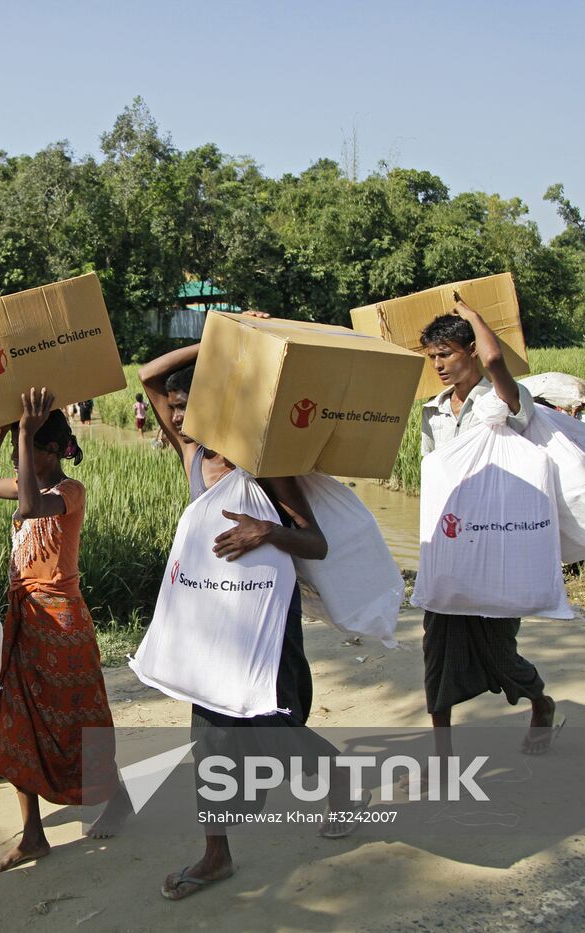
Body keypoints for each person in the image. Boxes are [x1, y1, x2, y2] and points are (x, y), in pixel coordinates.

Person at [139, 338, 365, 902]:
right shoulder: (193, 456)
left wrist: (264, 531)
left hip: (265, 624)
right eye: (173, 409)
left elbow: (314, 543)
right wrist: (220, 335)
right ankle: (216, 854)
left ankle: (337, 778)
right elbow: (147, 376)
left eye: (187, 407)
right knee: (209, 738)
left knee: (272, 728)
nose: (177, 418)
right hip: (210, 622)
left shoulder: (265, 466)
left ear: (215, 405)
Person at [0, 389, 132, 873]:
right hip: (27, 622)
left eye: (27, 447)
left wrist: (23, 431)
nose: (19, 455)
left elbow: (28, 504)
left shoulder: (69, 493)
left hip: (62, 625)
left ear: (49, 452)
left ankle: (117, 797)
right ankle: (33, 835)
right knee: (18, 721)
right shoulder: (29, 483)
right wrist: (1, 429)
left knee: (78, 720)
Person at [417, 300, 561, 757]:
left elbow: (496, 360)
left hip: (498, 541)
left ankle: (539, 700)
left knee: (499, 651)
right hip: (449, 544)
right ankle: (443, 753)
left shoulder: (502, 399)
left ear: (472, 351)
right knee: (437, 650)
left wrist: (473, 314)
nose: (439, 365)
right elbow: (432, 474)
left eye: (446, 353)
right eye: (432, 356)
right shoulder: (434, 411)